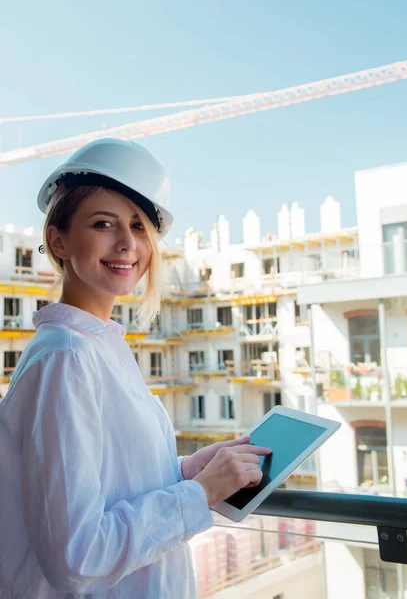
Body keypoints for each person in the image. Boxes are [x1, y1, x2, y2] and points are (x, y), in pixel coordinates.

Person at [0, 138, 271, 598]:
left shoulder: (100, 348)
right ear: (58, 239)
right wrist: (200, 493)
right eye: (104, 224)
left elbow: (108, 485)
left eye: (139, 227)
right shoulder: (67, 359)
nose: (128, 244)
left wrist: (184, 472)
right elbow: (78, 557)